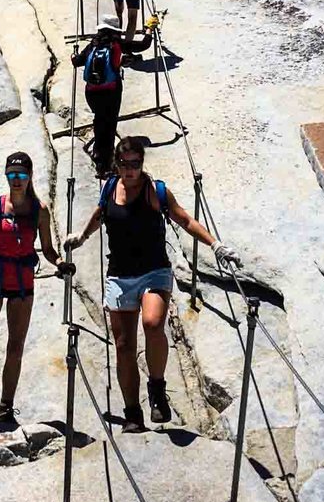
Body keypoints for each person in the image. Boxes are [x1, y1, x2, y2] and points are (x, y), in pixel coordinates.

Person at [65, 137, 242, 430]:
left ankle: (157, 388)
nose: (130, 170)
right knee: (123, 345)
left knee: (152, 322)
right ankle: (132, 413)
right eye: (125, 164)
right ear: (117, 165)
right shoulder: (110, 188)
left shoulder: (155, 191)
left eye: (136, 164)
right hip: (120, 274)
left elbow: (184, 219)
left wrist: (215, 245)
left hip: (154, 270)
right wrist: (81, 237)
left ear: (142, 164)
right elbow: (100, 214)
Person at [0, 152, 72, 431]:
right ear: (6, 175)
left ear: (30, 177)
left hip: (22, 281)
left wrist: (60, 263)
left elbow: (47, 249)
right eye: (12, 175)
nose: (17, 180)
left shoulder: (40, 210)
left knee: (16, 345)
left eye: (21, 175)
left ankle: (6, 406)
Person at [71, 16, 152, 176]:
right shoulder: (118, 43)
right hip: (111, 91)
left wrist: (74, 54)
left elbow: (77, 61)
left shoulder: (93, 44)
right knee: (109, 125)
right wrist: (149, 29)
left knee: (99, 120)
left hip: (92, 92)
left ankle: (97, 153)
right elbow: (144, 45)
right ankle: (105, 166)